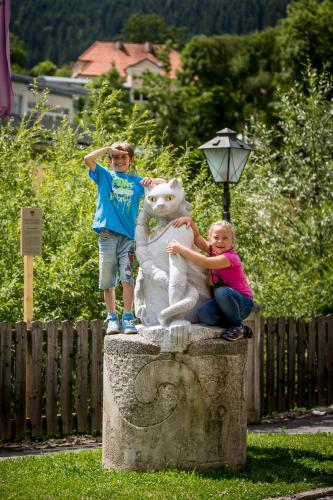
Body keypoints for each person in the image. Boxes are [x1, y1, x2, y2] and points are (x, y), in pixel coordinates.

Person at [84, 141, 164, 334]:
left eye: (124, 157)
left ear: (131, 160)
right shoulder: (104, 176)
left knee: (127, 277)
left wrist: (150, 180)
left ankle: (128, 316)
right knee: (107, 279)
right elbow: (88, 159)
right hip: (107, 236)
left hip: (128, 237)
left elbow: (163, 183)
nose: (119, 160)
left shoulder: (136, 182)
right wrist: (107, 149)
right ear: (110, 160)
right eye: (116, 157)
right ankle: (112, 317)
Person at [166, 218, 254, 341]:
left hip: (242, 303)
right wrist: (189, 221)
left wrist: (180, 249)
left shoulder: (230, 257)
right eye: (216, 237)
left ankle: (236, 326)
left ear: (232, 242)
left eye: (225, 238)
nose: (220, 241)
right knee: (204, 314)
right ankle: (240, 327)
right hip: (223, 305)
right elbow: (197, 237)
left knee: (222, 292)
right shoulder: (213, 251)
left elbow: (206, 262)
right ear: (210, 239)